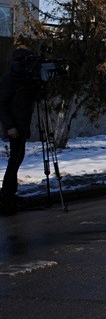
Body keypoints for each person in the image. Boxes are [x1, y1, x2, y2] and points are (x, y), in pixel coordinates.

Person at [0, 48, 41, 214]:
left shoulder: (25, 78)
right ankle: (5, 196)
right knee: (14, 159)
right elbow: (1, 105)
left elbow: (34, 96)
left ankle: (9, 194)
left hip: (22, 125)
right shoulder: (9, 79)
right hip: (15, 128)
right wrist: (10, 126)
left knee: (17, 158)